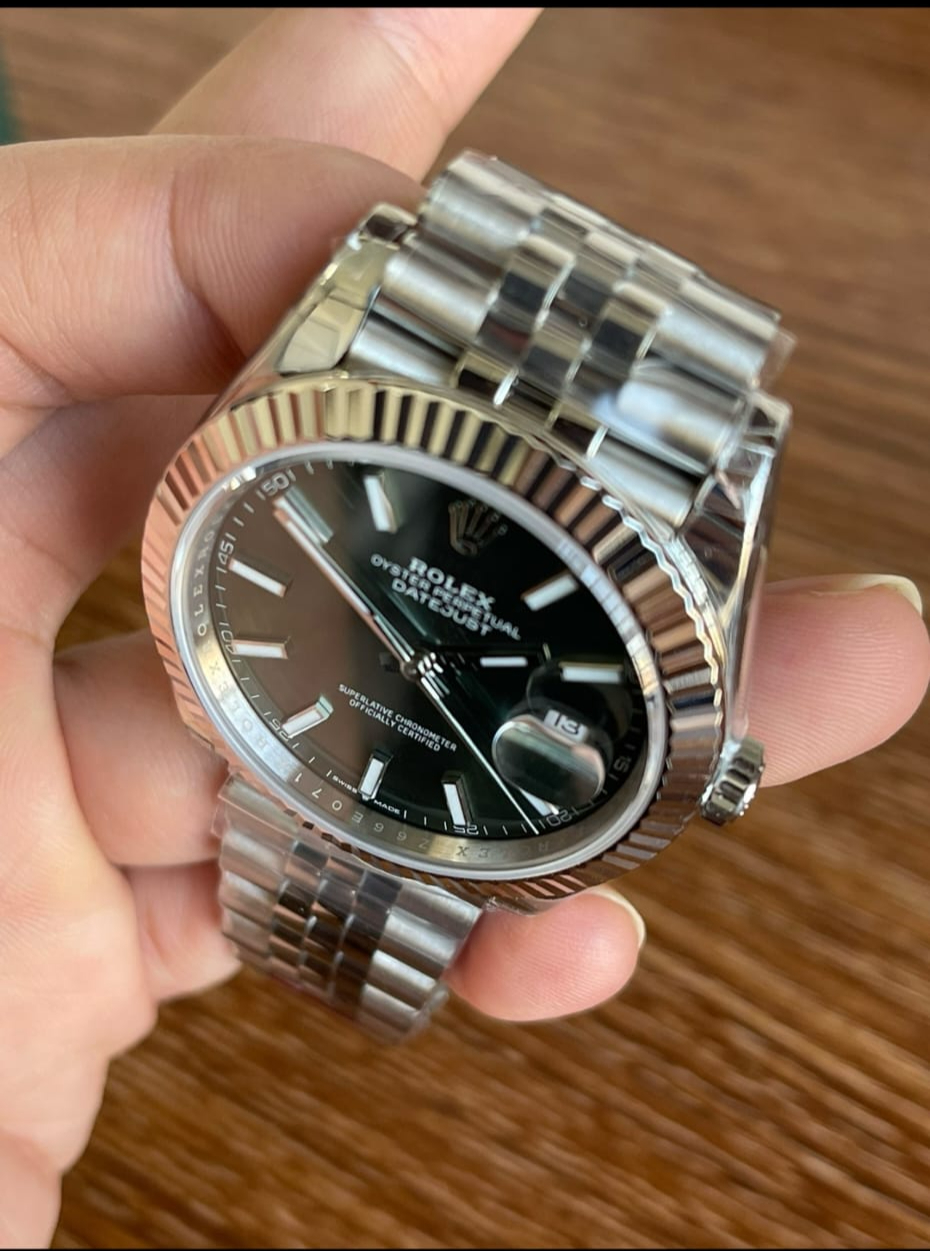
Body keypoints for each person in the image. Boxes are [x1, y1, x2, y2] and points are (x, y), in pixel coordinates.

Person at [0, 9, 927, 1246]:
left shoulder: (718, 478)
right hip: (302, 734)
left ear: (711, 770)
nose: (427, 664)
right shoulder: (252, 514)